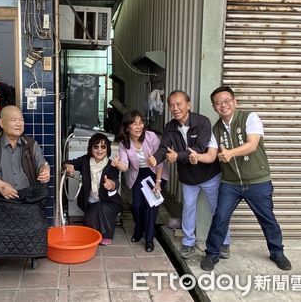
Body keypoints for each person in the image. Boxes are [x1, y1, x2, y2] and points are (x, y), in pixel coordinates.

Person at [200, 86, 292, 271]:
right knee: (220, 217)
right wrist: (195, 157)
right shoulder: (216, 129)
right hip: (230, 183)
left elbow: (252, 144)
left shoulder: (250, 118)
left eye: (226, 101)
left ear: (235, 102)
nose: (223, 105)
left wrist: (230, 153)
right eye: (218, 103)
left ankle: (277, 252)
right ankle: (212, 253)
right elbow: (211, 155)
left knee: (267, 219)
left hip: (258, 181)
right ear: (214, 106)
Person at [147, 90, 231, 259]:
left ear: (188, 104)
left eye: (179, 104)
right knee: (188, 209)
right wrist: (155, 159)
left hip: (209, 175)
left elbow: (201, 148)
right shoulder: (170, 127)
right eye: (171, 105)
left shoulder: (202, 122)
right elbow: (164, 148)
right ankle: (188, 242)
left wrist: (178, 156)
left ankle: (224, 242)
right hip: (187, 177)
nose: (175, 108)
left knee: (218, 210)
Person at [111, 110, 168, 252]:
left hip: (156, 173)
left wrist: (158, 182)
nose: (138, 126)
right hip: (138, 174)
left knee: (151, 206)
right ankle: (139, 228)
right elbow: (125, 166)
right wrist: (118, 165)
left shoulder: (151, 137)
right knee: (136, 205)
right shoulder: (124, 143)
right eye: (134, 123)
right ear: (127, 127)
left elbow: (160, 160)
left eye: (140, 122)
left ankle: (149, 239)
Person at [0, 105, 50, 195]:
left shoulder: (31, 144)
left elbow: (42, 164)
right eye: (14, 120)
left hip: (27, 199)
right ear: (2, 123)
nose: (19, 124)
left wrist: (45, 170)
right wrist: (1, 186)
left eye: (21, 120)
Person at [64, 133, 123, 246]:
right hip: (90, 203)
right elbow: (66, 163)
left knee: (101, 208)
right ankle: (97, 232)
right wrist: (67, 166)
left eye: (103, 147)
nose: (99, 150)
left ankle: (106, 235)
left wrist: (111, 185)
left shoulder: (112, 165)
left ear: (108, 149)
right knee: (89, 220)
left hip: (110, 202)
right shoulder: (85, 161)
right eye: (96, 147)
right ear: (91, 148)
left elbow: (116, 181)